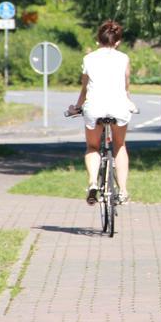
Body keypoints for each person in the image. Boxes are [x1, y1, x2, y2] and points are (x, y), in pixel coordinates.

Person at [68, 20, 137, 205]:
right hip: (119, 107)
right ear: (118, 42)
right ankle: (122, 191)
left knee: (92, 146)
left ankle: (92, 184)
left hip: (94, 108)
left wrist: (76, 107)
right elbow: (126, 86)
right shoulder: (123, 58)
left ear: (98, 40)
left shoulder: (88, 59)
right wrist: (129, 102)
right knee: (120, 146)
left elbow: (84, 90)